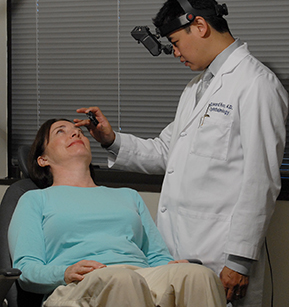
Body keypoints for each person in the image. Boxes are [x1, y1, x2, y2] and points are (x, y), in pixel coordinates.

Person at [74, 0, 289, 307]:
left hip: (220, 254)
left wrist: (240, 261)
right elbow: (166, 152)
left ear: (200, 26)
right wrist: (110, 139)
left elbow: (262, 180)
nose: (175, 53)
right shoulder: (197, 88)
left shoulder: (256, 84)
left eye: (175, 42)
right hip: (177, 252)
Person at [8, 119, 226, 307]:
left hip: (141, 276)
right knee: (122, 280)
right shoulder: (34, 199)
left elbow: (157, 256)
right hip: (77, 286)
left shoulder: (128, 196)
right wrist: (64, 272)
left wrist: (172, 267)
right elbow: (26, 269)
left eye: (79, 132)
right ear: (43, 159)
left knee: (199, 276)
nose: (75, 132)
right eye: (60, 132)